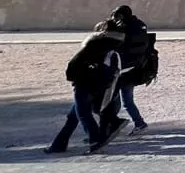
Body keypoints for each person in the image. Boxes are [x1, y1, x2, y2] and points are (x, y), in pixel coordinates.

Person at [46, 19, 127, 155]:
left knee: (83, 115)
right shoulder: (114, 48)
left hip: (83, 85)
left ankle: (95, 141)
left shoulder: (93, 45)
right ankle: (58, 144)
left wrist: (73, 77)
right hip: (97, 87)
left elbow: (73, 67)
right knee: (73, 116)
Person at [108, 5, 153, 135]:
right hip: (135, 68)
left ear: (121, 16)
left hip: (122, 69)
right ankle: (138, 123)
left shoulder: (123, 28)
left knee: (114, 100)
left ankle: (114, 125)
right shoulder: (140, 25)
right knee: (127, 100)